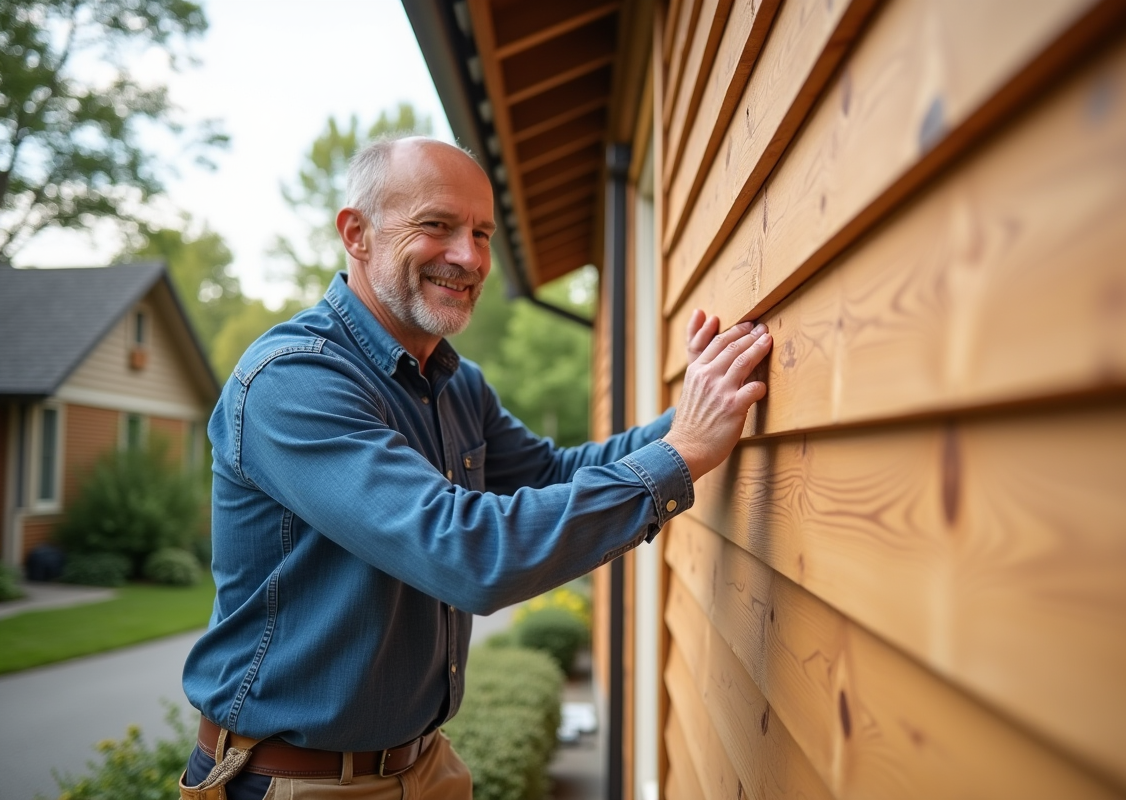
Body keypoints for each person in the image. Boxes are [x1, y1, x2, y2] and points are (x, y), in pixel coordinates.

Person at [179, 135, 772, 800]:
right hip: (292, 782)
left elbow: (554, 473)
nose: (469, 257)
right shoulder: (292, 382)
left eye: (482, 233)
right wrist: (683, 455)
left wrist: (695, 411)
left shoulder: (455, 383)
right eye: (437, 225)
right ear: (357, 232)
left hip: (426, 767)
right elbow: (467, 553)